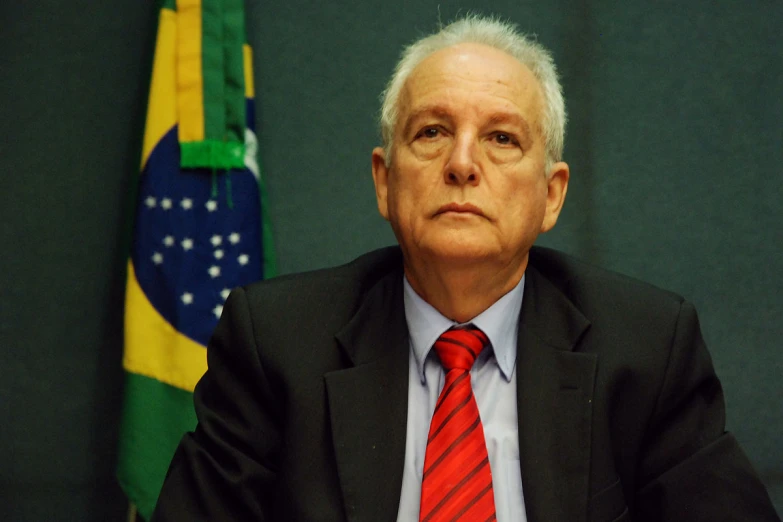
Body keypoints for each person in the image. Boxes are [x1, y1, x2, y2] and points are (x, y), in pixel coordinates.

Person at [151, 15, 780, 522]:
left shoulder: (644, 347)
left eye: (502, 139)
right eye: (431, 132)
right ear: (384, 180)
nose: (461, 163)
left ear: (552, 195)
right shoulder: (278, 343)